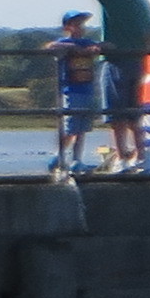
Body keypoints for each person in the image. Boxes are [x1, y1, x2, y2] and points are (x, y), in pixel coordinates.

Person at [81, 0, 150, 175]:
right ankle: (140, 157)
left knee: (116, 113)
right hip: (137, 60)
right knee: (134, 113)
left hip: (116, 61)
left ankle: (122, 158)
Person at [41, 11, 101, 176]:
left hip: (87, 90)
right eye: (77, 24)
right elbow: (50, 46)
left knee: (82, 129)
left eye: (83, 24)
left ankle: (77, 160)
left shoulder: (88, 42)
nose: (81, 28)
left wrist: (97, 48)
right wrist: (72, 47)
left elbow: (107, 46)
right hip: (71, 90)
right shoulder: (64, 42)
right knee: (70, 128)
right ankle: (59, 156)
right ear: (67, 27)